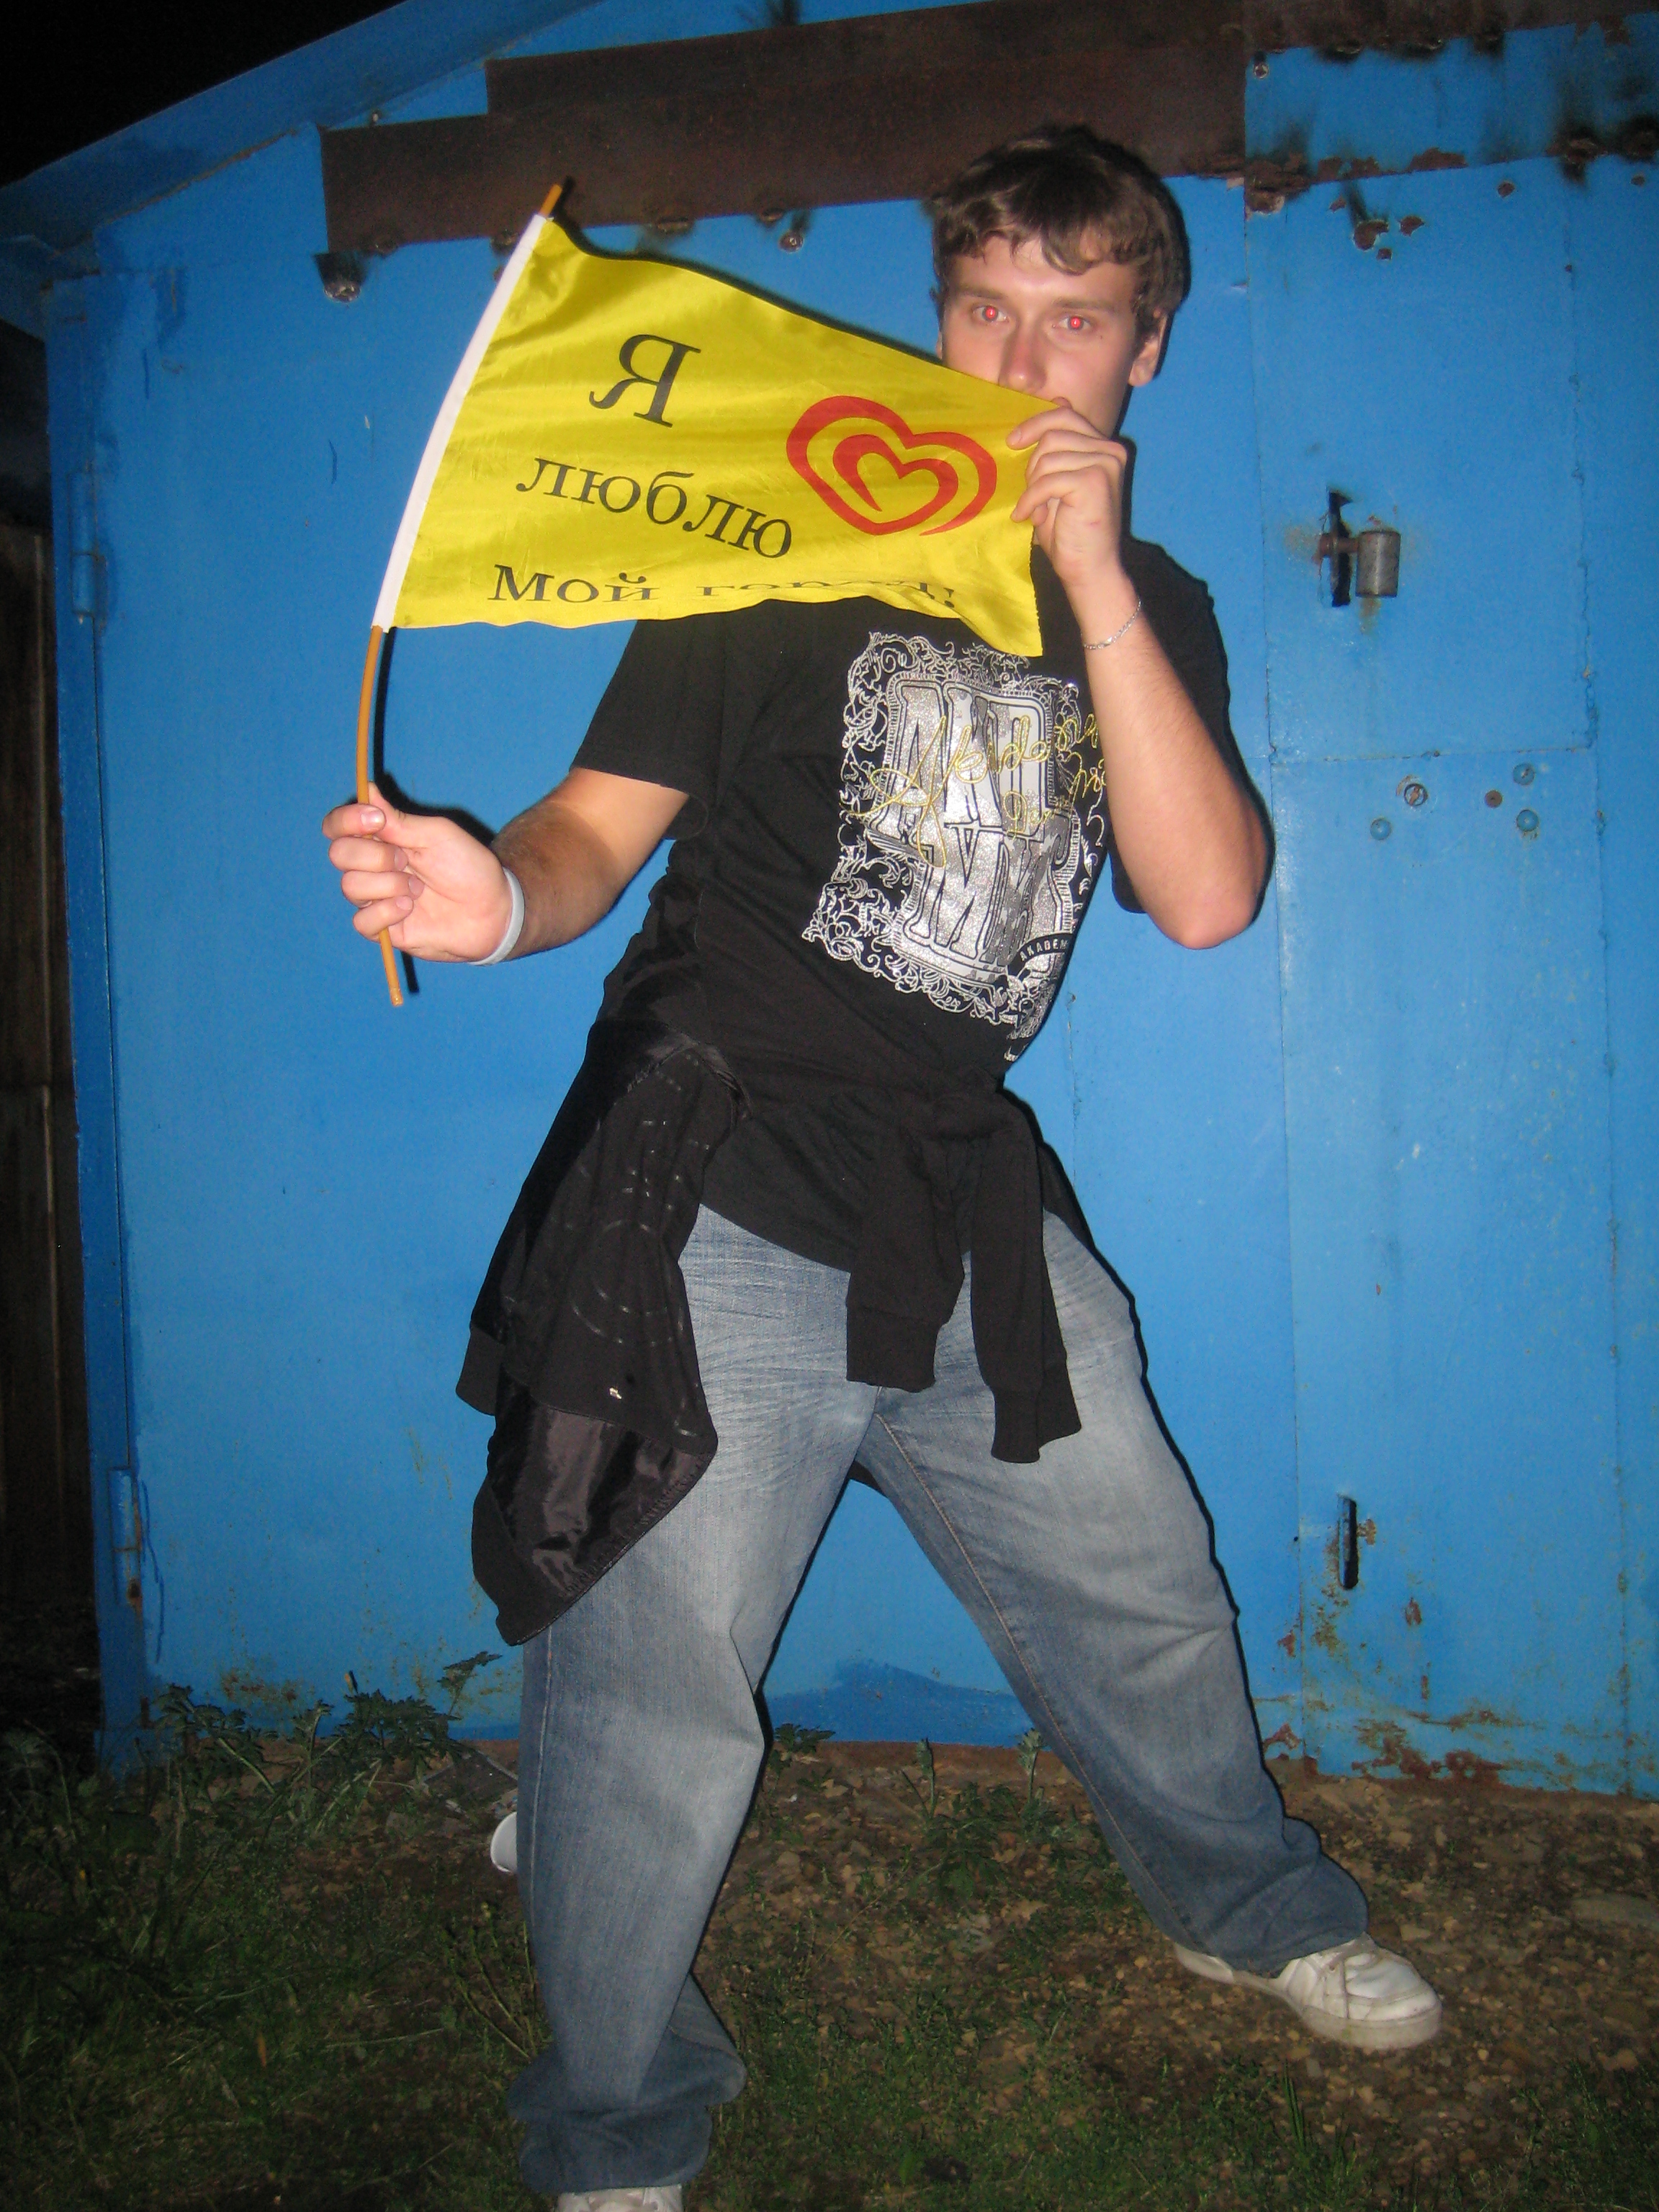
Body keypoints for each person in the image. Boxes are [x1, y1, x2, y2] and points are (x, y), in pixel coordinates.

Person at [325, 126, 1441, 2212]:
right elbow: (586, 831)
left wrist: (1096, 584)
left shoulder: (1159, 611)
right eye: (984, 309)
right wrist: (498, 901)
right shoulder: (782, 540)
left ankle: (1248, 1906)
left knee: (1145, 1589)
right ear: (938, 318)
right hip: (721, 1177)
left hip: (960, 1198)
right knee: (655, 1689)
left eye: (1075, 321)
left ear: (1145, 351)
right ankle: (618, 2117)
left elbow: (1209, 898)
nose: (1020, 362)